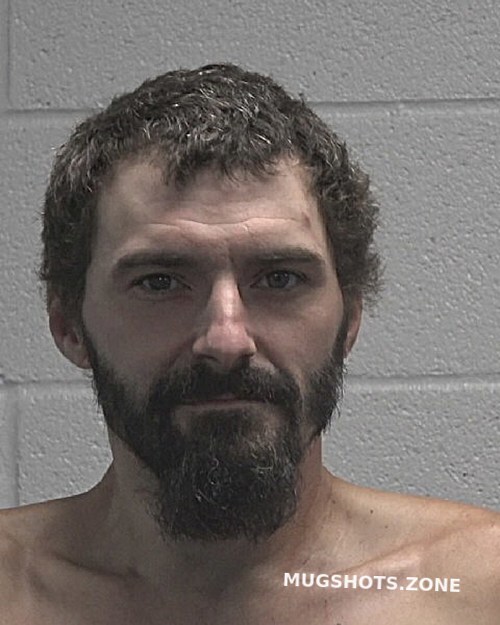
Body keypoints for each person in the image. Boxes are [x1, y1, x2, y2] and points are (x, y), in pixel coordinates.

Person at [1, 63, 499, 625]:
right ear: (69, 325)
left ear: (350, 317)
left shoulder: (479, 591)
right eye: (160, 282)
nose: (227, 339)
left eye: (280, 278)